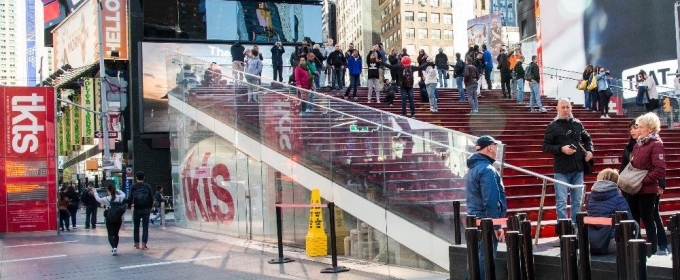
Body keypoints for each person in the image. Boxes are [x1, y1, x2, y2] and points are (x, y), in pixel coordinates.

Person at [620, 119, 669, 255]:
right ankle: (639, 248)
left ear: (650, 128)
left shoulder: (656, 144)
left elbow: (660, 169)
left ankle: (653, 248)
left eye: (641, 127)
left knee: (648, 218)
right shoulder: (637, 145)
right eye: (637, 127)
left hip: (647, 189)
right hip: (634, 188)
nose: (638, 129)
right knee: (633, 216)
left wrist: (643, 180)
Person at [542, 98, 594, 225]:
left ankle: (576, 229)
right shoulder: (552, 126)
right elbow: (545, 146)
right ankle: (563, 230)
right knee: (561, 202)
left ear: (571, 108)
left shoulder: (577, 123)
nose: (565, 110)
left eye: (567, 107)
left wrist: (590, 151)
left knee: (577, 202)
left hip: (578, 168)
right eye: (563, 107)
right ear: (557, 109)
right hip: (561, 170)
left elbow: (587, 139)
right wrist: (561, 149)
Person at [465, 135, 507, 280]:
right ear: (490, 147)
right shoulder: (488, 170)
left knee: (475, 260)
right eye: (495, 146)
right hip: (486, 222)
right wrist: (496, 226)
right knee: (485, 260)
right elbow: (491, 200)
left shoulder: (474, 168)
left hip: (476, 220)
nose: (497, 149)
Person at [586, 168, 634, 254]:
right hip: (610, 242)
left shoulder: (589, 197)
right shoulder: (619, 199)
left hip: (590, 241)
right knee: (635, 225)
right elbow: (629, 222)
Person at [93, 183, 126, 255]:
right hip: (118, 217)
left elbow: (98, 199)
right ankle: (115, 248)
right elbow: (124, 194)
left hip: (109, 217)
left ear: (108, 190)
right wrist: (117, 190)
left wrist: (95, 192)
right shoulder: (120, 197)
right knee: (116, 233)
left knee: (110, 234)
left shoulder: (106, 199)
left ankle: (113, 247)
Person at [128, 171, 154, 250]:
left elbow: (130, 198)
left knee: (136, 227)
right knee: (145, 227)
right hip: (145, 209)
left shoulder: (133, 187)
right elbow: (151, 198)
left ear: (136, 178)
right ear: (144, 178)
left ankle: (136, 243)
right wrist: (149, 207)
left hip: (137, 209)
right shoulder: (147, 186)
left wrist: (129, 206)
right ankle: (144, 244)